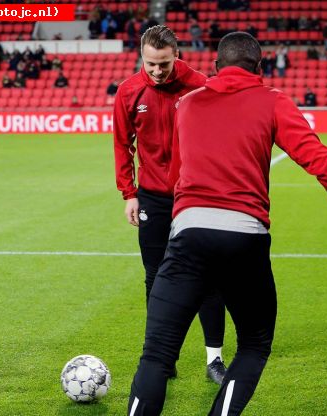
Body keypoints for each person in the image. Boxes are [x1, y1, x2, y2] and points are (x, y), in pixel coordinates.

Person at [127, 32, 327, 416]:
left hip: (187, 233)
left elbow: (175, 170)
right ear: (260, 67)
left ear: (217, 68)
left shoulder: (187, 105)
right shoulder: (274, 101)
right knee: (254, 344)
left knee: (156, 355)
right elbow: (321, 161)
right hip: (245, 239)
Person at [113, 25, 227, 384]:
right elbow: (121, 144)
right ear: (142, 58)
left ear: (176, 55)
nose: (158, 71)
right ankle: (163, 357)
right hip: (152, 197)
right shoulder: (129, 91)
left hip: (195, 195)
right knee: (156, 277)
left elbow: (220, 139)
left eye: (164, 64)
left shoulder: (200, 85)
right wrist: (128, 192)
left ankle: (215, 360)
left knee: (208, 277)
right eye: (151, 65)